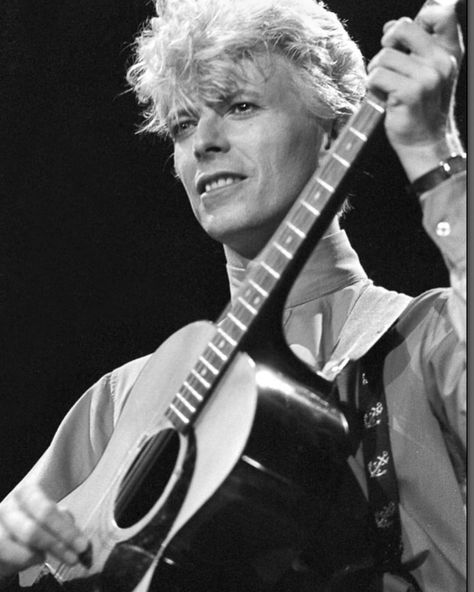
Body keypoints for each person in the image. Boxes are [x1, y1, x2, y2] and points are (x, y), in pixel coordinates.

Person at [0, 0, 466, 590]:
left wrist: (434, 157)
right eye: (182, 125)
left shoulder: (432, 340)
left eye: (240, 106)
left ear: (337, 131)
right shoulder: (122, 402)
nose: (205, 143)